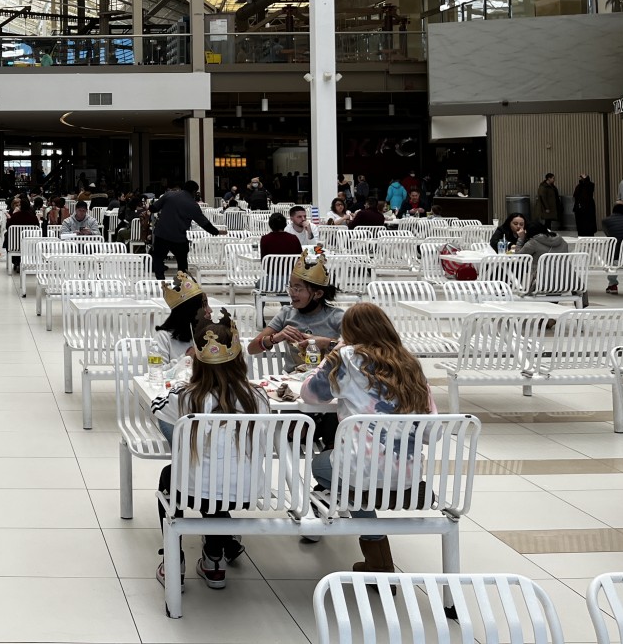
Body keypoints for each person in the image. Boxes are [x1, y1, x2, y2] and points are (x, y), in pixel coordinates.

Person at [299, 302, 435, 572]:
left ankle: (377, 554)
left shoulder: (347, 357)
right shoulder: (409, 363)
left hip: (363, 470)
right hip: (409, 474)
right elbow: (430, 431)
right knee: (357, 475)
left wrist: (334, 352)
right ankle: (378, 560)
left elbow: (310, 394)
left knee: (323, 465)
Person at [151, 312, 269, 589]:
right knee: (218, 481)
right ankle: (214, 559)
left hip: (195, 490)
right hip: (246, 491)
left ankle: (173, 560)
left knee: (173, 476)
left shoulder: (187, 397)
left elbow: (157, 407)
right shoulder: (258, 398)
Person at [248, 252, 344, 367]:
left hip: (326, 380)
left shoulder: (336, 317)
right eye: (290, 287)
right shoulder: (286, 314)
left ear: (318, 293)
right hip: (292, 378)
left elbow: (362, 348)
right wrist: (275, 338)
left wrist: (327, 343)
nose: (292, 293)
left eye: (298, 289)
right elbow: (251, 348)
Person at [148, 180, 224, 280]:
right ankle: (181, 284)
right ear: (194, 192)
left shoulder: (169, 195)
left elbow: (153, 208)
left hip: (162, 234)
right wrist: (216, 232)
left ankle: (161, 281)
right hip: (178, 238)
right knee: (182, 261)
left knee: (158, 257)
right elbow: (204, 223)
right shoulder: (193, 205)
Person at [152, 272, 212, 370]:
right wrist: (185, 358)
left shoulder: (209, 333)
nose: (210, 310)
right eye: (204, 305)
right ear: (190, 310)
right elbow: (155, 370)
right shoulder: (162, 338)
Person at [5, 197, 40, 271]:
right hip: (30, 245)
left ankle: (16, 261)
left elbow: (8, 227)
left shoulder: (15, 216)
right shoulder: (33, 217)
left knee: (7, 235)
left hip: (14, 245)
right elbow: (38, 228)